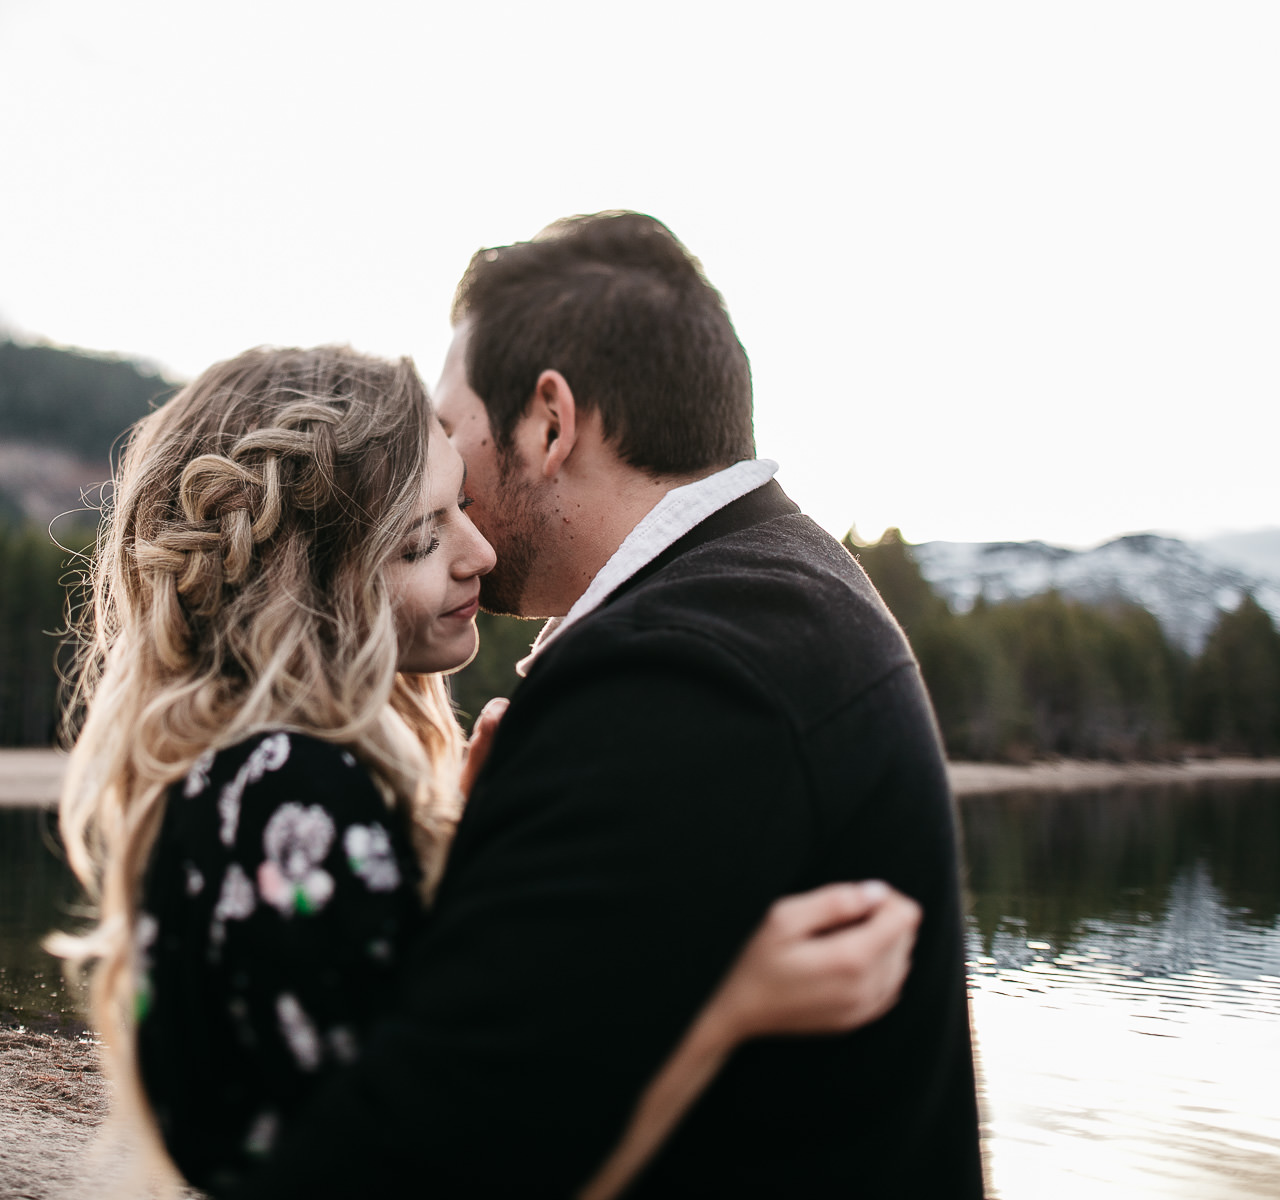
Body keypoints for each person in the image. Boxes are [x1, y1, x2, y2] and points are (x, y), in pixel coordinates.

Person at [208, 214, 986, 1199]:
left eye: (450, 430)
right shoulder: (772, 595)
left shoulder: (678, 675)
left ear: (548, 422)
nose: (439, 472)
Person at [52, 344, 923, 1197]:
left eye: (463, 505)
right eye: (421, 540)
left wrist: (469, 860)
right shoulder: (294, 794)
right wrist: (722, 1008)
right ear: (310, 586)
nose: (481, 553)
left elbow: (388, 1063)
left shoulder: (242, 782)